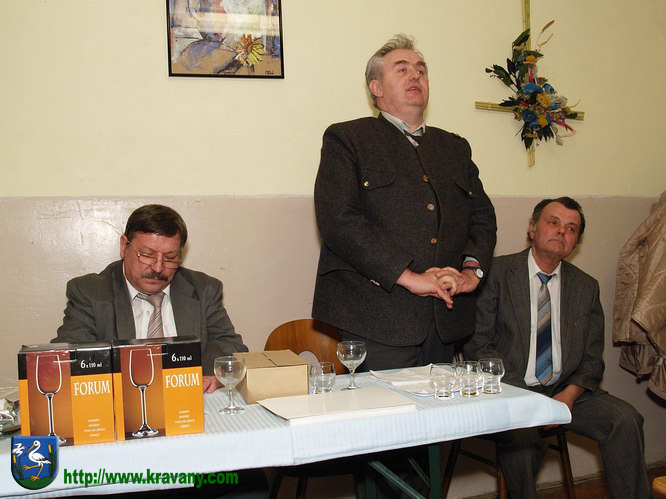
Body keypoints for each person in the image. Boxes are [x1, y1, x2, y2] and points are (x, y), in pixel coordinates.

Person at [312, 34, 497, 370]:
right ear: (376, 88)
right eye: (402, 69)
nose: (415, 76)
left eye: (421, 70)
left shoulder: (454, 148)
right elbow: (339, 221)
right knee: (391, 404)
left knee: (440, 405)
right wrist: (409, 276)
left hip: (445, 319)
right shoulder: (348, 138)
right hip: (376, 315)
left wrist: (472, 272)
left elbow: (482, 218)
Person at [464, 197, 650, 499]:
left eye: (571, 228)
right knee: (523, 441)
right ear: (532, 228)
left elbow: (592, 358)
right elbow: (478, 346)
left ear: (576, 241)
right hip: (510, 390)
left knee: (625, 420)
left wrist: (569, 396)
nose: (562, 231)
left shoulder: (585, 286)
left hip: (565, 391)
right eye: (554, 223)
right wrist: (529, 400)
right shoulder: (496, 274)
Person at [53, 204, 248, 393]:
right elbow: (68, 358)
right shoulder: (90, 292)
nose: (158, 268)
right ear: (123, 246)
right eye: (147, 255)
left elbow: (229, 344)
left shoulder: (203, 289)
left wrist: (211, 376)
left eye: (170, 257)